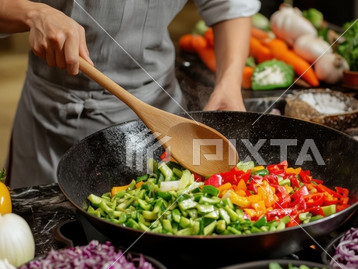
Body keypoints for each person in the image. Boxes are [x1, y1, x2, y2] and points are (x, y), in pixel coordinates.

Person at [0, 0, 260, 188]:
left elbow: (230, 5)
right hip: (51, 114)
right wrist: (34, 13)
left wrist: (228, 84)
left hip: (158, 102)